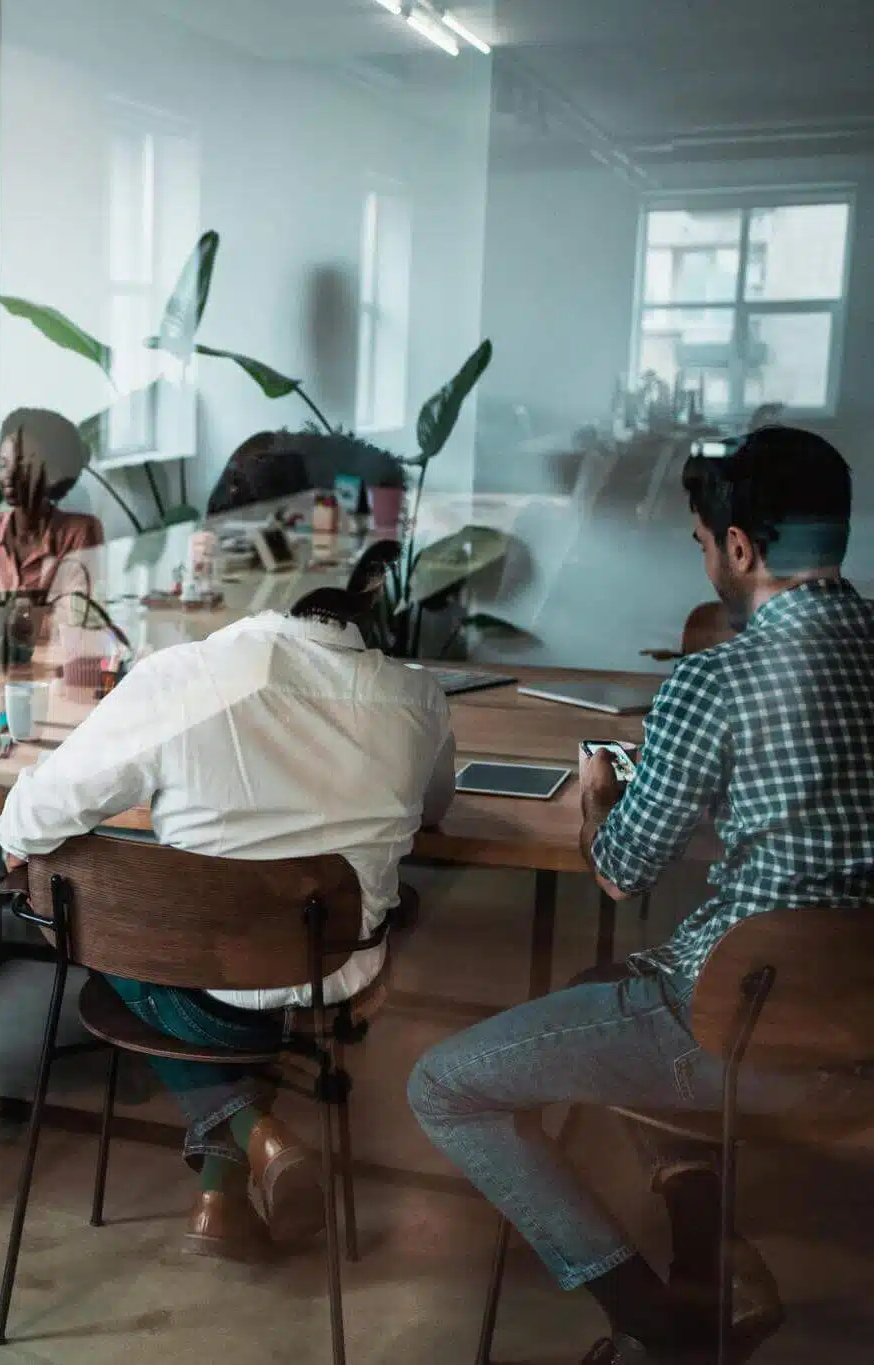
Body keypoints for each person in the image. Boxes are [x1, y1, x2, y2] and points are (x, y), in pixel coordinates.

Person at [409, 427, 872, 1365]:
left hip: (739, 1029)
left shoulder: (716, 678)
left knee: (443, 1085)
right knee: (606, 980)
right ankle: (715, 1256)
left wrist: (600, 797)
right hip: (859, 1019)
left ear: (739, 547)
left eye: (703, 543)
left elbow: (622, 870)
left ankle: (656, 1326)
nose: (706, 561)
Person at [0, 587, 455, 1260]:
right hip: (336, 982)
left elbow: (27, 822)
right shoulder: (418, 698)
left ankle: (250, 1134)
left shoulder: (184, 676)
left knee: (81, 907)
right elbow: (436, 805)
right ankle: (226, 1186)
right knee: (261, 933)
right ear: (369, 638)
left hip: (199, 996)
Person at [0, 407, 106, 596]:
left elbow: (78, 612)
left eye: (23, 464)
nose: (8, 475)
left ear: (53, 471)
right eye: (3, 464)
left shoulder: (79, 532)